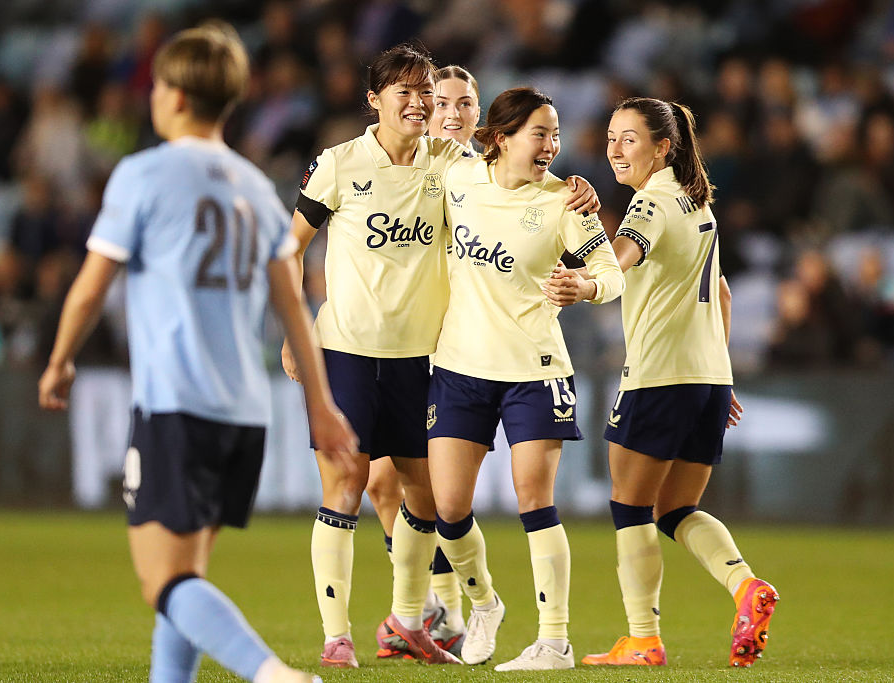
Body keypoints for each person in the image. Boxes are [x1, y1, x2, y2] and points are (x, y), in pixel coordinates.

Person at [37, 25, 358, 683]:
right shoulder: (255, 186)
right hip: (243, 411)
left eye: (157, 85)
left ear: (177, 95)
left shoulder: (144, 174)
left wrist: (60, 358)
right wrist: (320, 404)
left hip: (176, 404)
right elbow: (292, 306)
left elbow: (91, 285)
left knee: (164, 581)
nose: (153, 96)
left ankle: (270, 672)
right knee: (187, 575)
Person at [282, 47, 602, 668]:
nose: (418, 101)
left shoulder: (454, 167)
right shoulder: (339, 166)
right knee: (348, 482)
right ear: (373, 99)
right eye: (403, 91)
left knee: (424, 495)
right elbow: (291, 246)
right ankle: (337, 635)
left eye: (424, 90)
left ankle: (414, 618)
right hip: (347, 347)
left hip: (424, 356)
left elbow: (516, 175)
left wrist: (573, 189)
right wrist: (296, 334)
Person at [565, 97, 778, 668]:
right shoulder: (696, 204)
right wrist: (721, 375)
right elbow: (723, 294)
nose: (615, 148)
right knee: (675, 508)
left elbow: (621, 256)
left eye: (629, 138)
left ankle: (643, 639)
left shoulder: (652, 202)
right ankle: (746, 587)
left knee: (630, 506)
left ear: (663, 147)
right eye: (611, 136)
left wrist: (584, 282)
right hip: (708, 379)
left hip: (658, 376)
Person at [427, 87, 625, 671]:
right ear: (501, 138)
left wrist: (582, 287)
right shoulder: (458, 180)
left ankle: (555, 641)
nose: (552, 146)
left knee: (535, 501)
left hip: (534, 370)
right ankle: (484, 603)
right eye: (540, 133)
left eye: (556, 133)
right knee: (448, 509)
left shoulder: (564, 203)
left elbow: (610, 274)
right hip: (459, 367)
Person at [361, 63, 481, 658]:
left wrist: (575, 188)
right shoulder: (425, 172)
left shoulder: (484, 176)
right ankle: (435, 608)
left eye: (466, 103)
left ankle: (445, 611)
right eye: (445, 103)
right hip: (407, 345)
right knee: (385, 485)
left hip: (459, 350)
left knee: (421, 488)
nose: (454, 112)